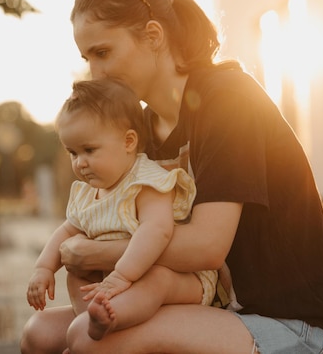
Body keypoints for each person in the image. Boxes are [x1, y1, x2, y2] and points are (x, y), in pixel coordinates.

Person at [20, 0, 323, 354]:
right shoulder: (140, 129)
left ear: (153, 36)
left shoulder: (227, 99)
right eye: (88, 58)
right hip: (211, 308)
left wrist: (97, 253)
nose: (96, 73)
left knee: (89, 342)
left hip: (289, 326)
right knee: (39, 333)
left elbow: (206, 247)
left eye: (103, 53)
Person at [26, 78, 218, 341]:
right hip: (116, 282)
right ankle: (90, 326)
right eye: (72, 153)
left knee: (156, 279)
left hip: (181, 280)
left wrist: (122, 275)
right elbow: (66, 231)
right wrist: (43, 268)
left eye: (89, 150)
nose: (80, 163)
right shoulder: (85, 194)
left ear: (128, 142)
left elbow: (156, 231)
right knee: (76, 277)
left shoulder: (147, 181)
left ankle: (107, 328)